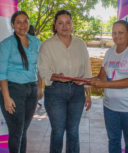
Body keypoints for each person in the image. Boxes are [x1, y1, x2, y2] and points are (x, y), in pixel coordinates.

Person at [37, 10, 92, 153]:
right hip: (55, 91)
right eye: (60, 23)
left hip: (77, 92)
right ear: (55, 25)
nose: (64, 26)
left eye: (68, 22)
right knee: (58, 132)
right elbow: (43, 70)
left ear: (72, 24)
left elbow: (87, 70)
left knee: (73, 131)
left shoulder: (80, 44)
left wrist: (88, 94)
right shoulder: (47, 45)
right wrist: (55, 76)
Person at [88, 20, 128, 153]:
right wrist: (85, 81)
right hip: (110, 107)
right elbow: (101, 77)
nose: (116, 35)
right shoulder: (109, 52)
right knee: (113, 141)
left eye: (121, 32)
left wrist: (105, 84)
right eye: (114, 32)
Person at [0, 11, 43, 153]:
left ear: (29, 23)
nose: (22, 25)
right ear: (12, 24)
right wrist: (6, 97)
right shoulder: (7, 44)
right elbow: (1, 73)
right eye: (18, 22)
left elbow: (40, 66)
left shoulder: (36, 42)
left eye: (25, 21)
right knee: (16, 132)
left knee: (23, 131)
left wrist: (40, 88)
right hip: (13, 90)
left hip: (32, 90)